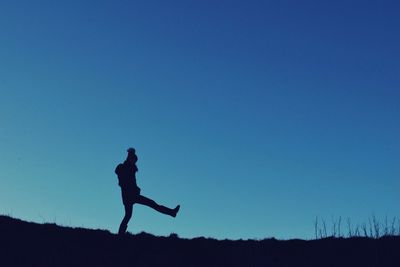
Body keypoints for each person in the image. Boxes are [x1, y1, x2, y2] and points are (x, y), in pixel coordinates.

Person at [116, 147, 180, 235]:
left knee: (128, 215)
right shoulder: (125, 167)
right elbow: (124, 182)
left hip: (129, 196)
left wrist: (136, 188)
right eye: (134, 160)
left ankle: (120, 234)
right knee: (151, 204)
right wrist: (134, 189)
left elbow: (128, 182)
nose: (135, 162)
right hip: (129, 196)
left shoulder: (130, 169)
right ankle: (172, 212)